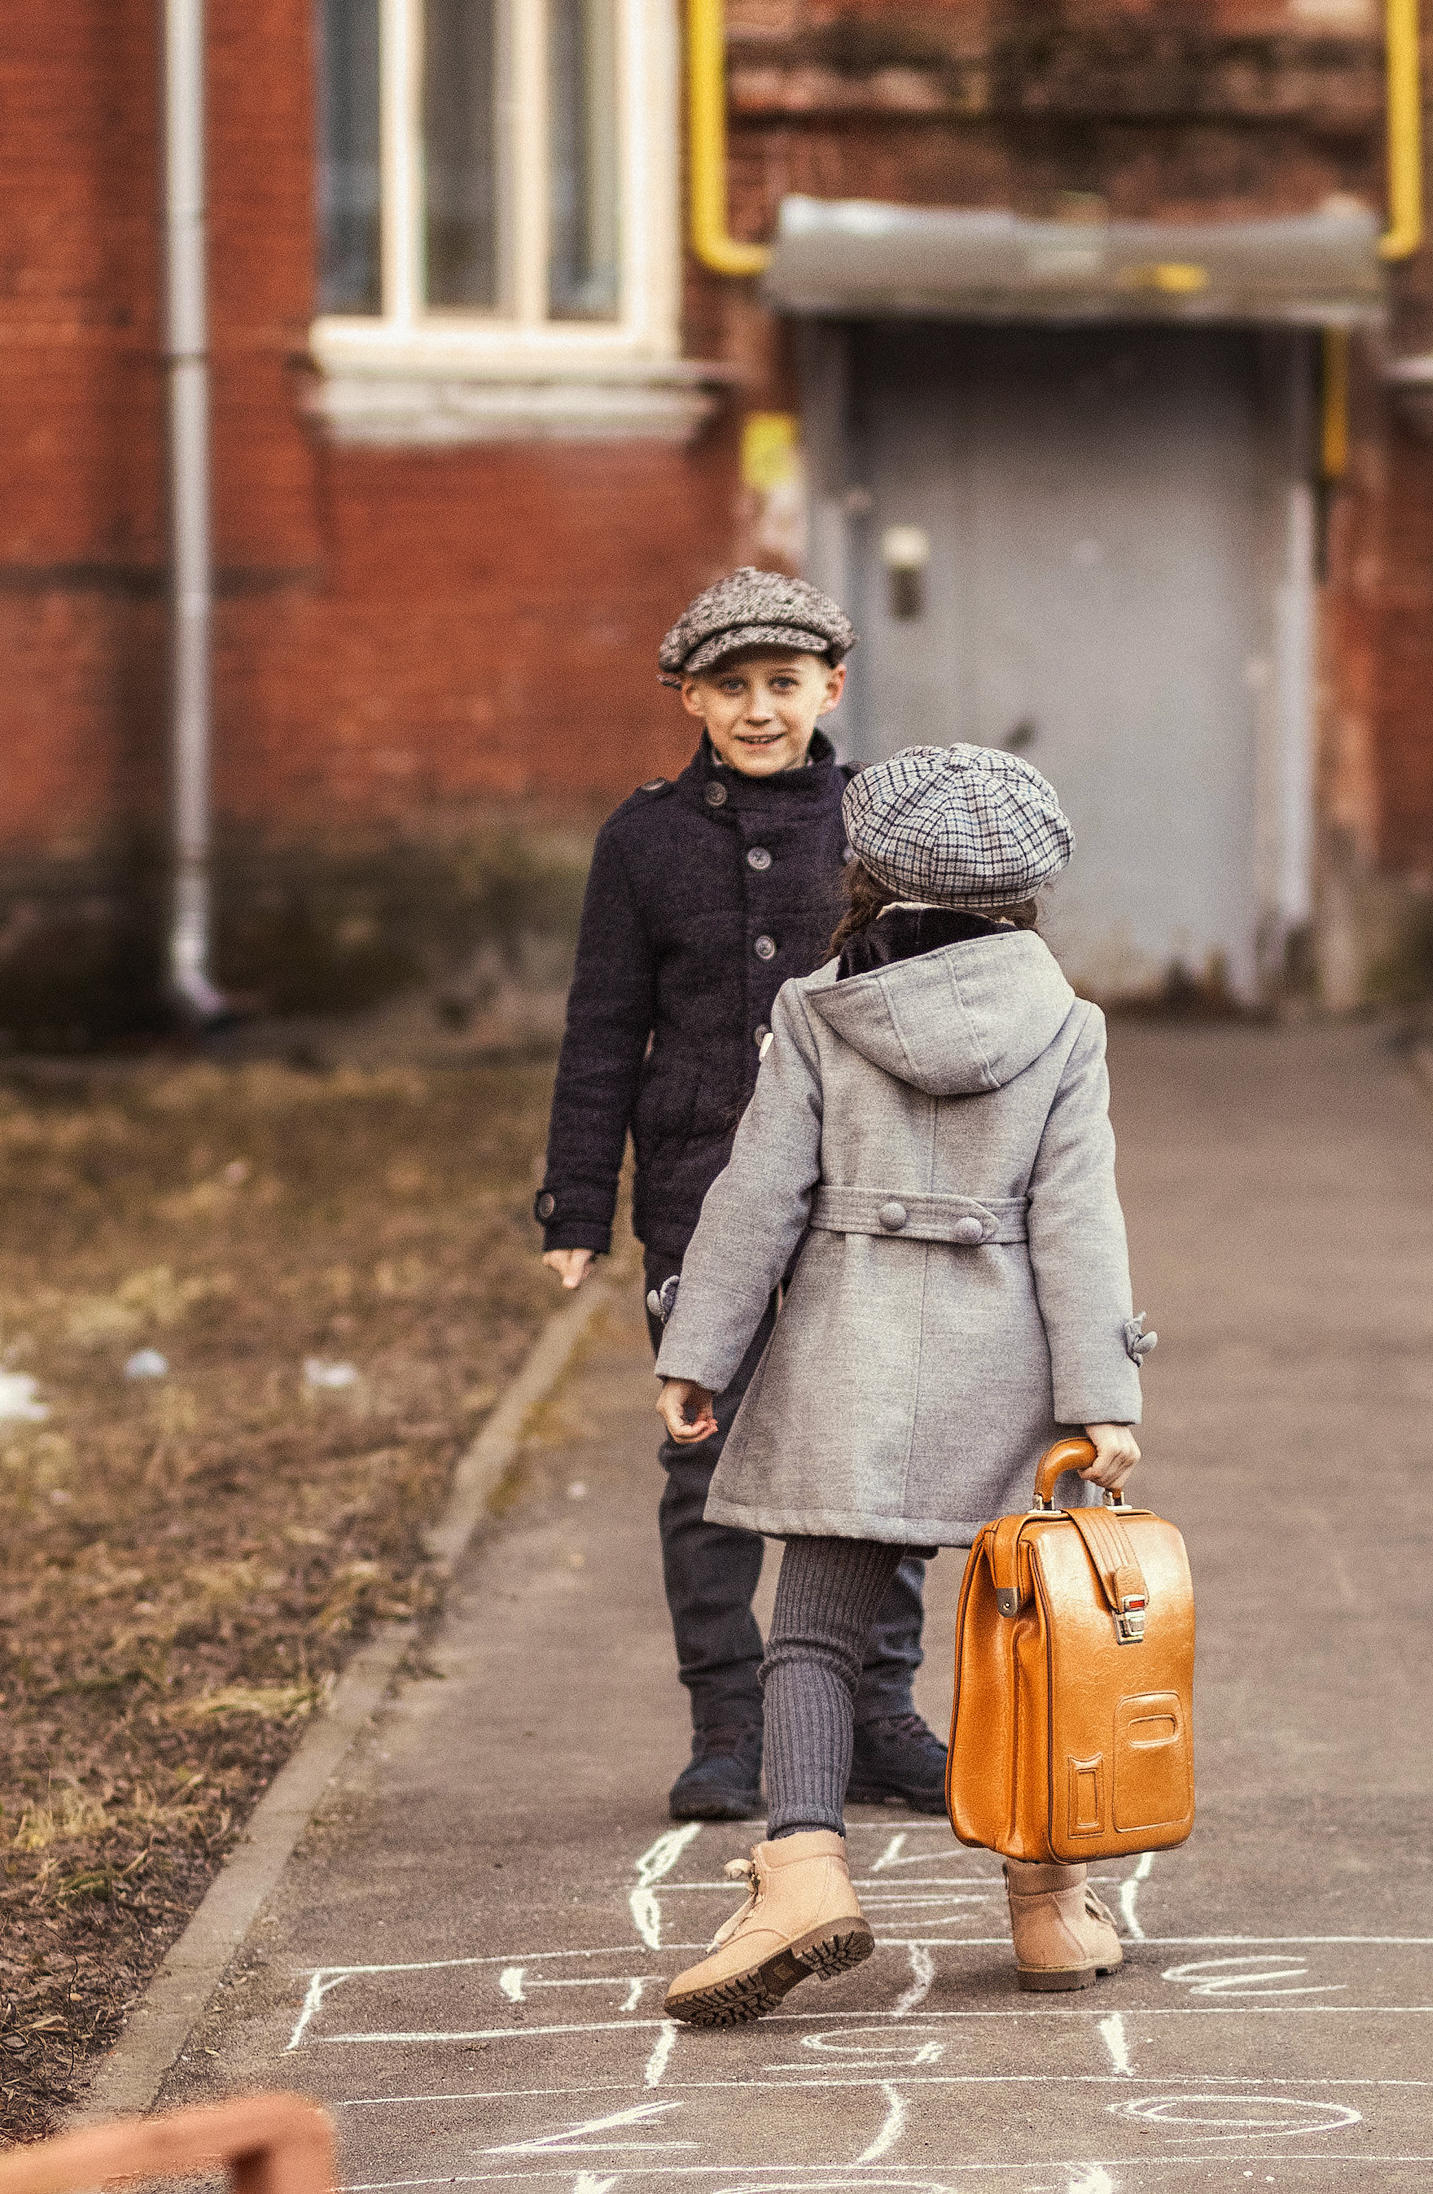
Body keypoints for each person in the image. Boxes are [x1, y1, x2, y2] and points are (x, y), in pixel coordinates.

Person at [650, 741, 1152, 2026]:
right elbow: (1077, 1218)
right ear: (1026, 885)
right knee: (1039, 1645)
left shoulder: (818, 1010)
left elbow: (757, 1193)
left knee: (811, 1636)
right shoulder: (1064, 1025)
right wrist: (1102, 1397)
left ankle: (802, 1877)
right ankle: (1047, 1906)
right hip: (1010, 1378)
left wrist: (698, 1351)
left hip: (847, 1361)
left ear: (861, 868)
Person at [534, 570, 950, 1824]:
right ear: (689, 696)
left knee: (871, 1452)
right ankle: (728, 1720)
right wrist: (574, 1203)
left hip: (858, 1193)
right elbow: (603, 1026)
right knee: (702, 1458)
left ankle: (876, 1711)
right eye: (730, 685)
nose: (758, 708)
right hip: (698, 1196)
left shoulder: (878, 827)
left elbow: (925, 1007)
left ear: (831, 686)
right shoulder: (643, 838)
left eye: (782, 682)